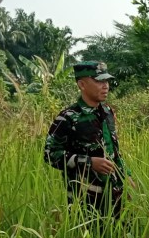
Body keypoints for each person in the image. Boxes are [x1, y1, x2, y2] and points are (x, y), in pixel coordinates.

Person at [44, 61, 129, 219]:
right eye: (99, 81)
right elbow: (50, 155)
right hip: (85, 199)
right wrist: (89, 162)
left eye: (106, 81)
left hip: (115, 192)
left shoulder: (107, 111)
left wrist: (126, 176)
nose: (105, 86)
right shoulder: (68, 117)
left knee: (120, 237)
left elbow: (114, 150)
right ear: (82, 85)